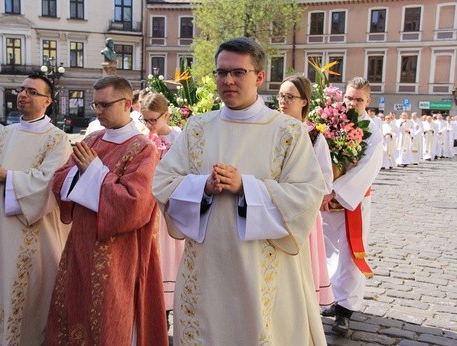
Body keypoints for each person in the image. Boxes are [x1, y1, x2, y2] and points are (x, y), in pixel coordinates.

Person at [153, 37, 327, 345]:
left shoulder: (287, 132)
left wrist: (246, 187)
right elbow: (164, 182)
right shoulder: (197, 127)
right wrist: (202, 186)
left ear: (259, 77)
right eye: (221, 72)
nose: (228, 80)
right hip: (206, 267)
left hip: (261, 266)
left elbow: (306, 195)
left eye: (238, 72)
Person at [46, 76, 168, 345]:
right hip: (80, 243)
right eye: (95, 105)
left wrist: (95, 173)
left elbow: (135, 204)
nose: (98, 111)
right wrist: (86, 176)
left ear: (127, 104)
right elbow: (59, 180)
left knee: (111, 316)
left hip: (119, 251)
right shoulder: (93, 139)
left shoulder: (144, 150)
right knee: (74, 308)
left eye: (104, 105)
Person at [0, 74, 72, 345]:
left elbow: (50, 183)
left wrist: (7, 177)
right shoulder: (4, 134)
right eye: (22, 90)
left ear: (47, 101)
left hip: (35, 232)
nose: (23, 95)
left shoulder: (57, 140)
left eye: (32, 92)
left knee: (32, 291)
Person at [320, 77, 383, 336]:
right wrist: (323, 188)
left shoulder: (373, 129)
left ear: (367, 101)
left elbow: (369, 165)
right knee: (326, 247)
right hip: (325, 198)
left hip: (351, 199)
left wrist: (336, 191)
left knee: (350, 251)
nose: (352, 103)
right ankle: (333, 296)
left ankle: (346, 310)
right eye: (349, 98)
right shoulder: (333, 121)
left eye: (358, 99)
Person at [278, 75, 335, 307]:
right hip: (272, 205)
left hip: (302, 212)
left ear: (304, 101)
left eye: (290, 96)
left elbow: (324, 177)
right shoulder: (270, 128)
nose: (283, 101)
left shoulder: (313, 136)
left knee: (301, 265)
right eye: (281, 95)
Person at [139, 92, 184, 329]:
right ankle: (155, 313)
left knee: (171, 257)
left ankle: (171, 306)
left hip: (171, 208)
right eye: (144, 120)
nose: (148, 125)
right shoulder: (143, 138)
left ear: (166, 115)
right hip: (148, 208)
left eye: (152, 120)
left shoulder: (180, 139)